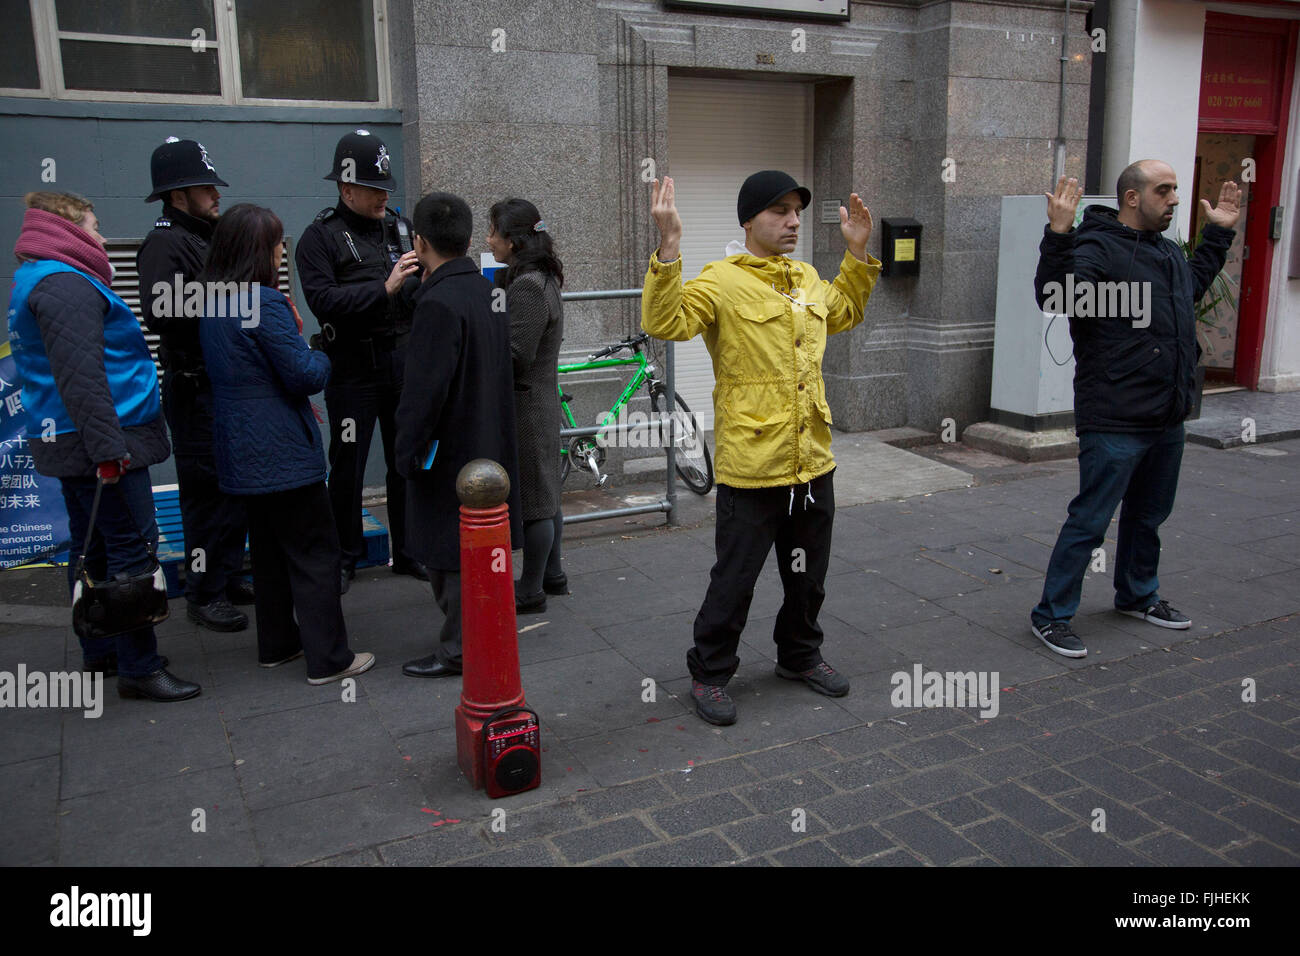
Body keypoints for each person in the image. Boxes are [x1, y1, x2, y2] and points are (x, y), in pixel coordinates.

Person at [641, 170, 881, 725]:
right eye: (778, 211)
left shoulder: (805, 278)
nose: (792, 221)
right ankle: (710, 670)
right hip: (753, 465)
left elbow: (844, 310)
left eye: (797, 211)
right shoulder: (720, 281)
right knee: (736, 578)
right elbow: (664, 321)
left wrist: (858, 256)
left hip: (812, 460)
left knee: (808, 576)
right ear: (749, 219)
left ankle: (799, 656)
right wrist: (669, 246)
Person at [1029, 162, 1240, 657]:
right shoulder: (1098, 245)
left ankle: (1138, 595)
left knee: (1148, 516)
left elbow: (1190, 290)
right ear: (1131, 198)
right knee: (1090, 521)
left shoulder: (1166, 251)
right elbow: (1057, 296)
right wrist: (1058, 234)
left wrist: (1218, 237)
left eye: (1174, 191)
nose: (1173, 199)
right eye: (1162, 190)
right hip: (1116, 415)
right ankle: (1051, 616)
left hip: (1166, 413)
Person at [8, 191, 200, 701]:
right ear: (65, 229)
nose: (99, 235)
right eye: (93, 226)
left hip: (79, 439)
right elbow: (84, 379)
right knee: (132, 551)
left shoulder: (39, 279)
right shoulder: (65, 285)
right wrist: (109, 452)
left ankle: (102, 649)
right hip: (102, 441)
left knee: (90, 544)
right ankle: (139, 664)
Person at [197, 203, 374, 684]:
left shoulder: (212, 300)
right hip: (280, 447)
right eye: (276, 242)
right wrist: (321, 351)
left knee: (271, 552)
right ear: (258, 250)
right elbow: (303, 376)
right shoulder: (264, 303)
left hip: (239, 446)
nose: (281, 251)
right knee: (315, 551)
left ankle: (277, 645)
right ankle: (330, 659)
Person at [395, 192, 523, 679]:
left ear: (419, 242)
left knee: (451, 555)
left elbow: (424, 392)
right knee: (481, 549)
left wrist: (407, 451)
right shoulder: (488, 290)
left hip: (449, 451)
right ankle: (481, 637)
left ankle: (459, 650)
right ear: (469, 239)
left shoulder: (439, 303)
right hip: (490, 437)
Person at [294, 129, 425, 594]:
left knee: (404, 460)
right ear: (346, 188)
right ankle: (345, 556)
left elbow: (423, 287)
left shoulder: (401, 227)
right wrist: (384, 288)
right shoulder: (320, 238)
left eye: (386, 188)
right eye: (373, 189)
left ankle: (408, 552)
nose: (382, 196)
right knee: (347, 466)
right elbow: (324, 301)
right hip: (352, 368)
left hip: (401, 363)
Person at [137, 137, 252, 633]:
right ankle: (204, 592)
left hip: (219, 386)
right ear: (177, 194)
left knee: (232, 491)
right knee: (206, 496)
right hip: (195, 388)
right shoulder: (165, 242)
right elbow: (163, 312)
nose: (215, 194)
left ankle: (225, 575)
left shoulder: (204, 235)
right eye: (206, 186)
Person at [486, 197, 567, 614]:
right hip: (540, 398)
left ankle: (531, 589)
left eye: (494, 233)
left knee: (536, 501)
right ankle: (552, 575)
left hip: (527, 404)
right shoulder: (542, 277)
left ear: (514, 240)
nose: (488, 240)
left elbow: (517, 353)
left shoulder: (528, 287)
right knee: (548, 492)